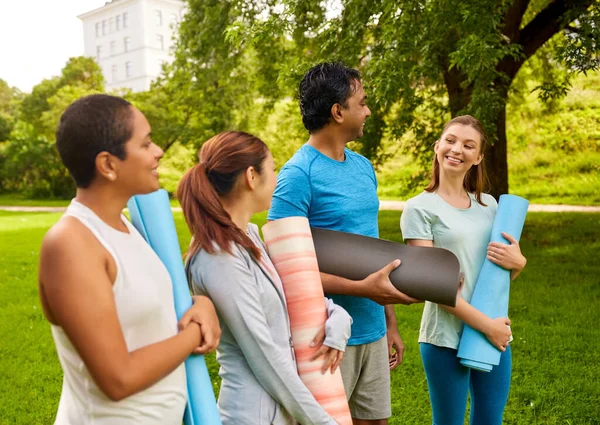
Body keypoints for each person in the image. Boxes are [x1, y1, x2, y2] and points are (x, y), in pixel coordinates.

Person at [38, 94, 221, 425]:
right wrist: (195, 334)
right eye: (146, 143)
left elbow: (141, 306)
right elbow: (117, 379)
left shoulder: (127, 227)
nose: (158, 152)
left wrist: (200, 304)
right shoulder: (70, 245)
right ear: (108, 164)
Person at [267, 62, 419, 425]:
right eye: (362, 103)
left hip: (372, 330)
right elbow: (284, 271)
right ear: (338, 112)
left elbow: (373, 248)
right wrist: (361, 288)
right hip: (328, 338)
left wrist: (390, 323)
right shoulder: (297, 175)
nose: (367, 111)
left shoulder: (363, 167)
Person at [178, 131, 353, 425]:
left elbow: (296, 298)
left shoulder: (250, 237)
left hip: (283, 412)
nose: (276, 176)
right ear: (251, 176)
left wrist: (337, 316)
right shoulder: (219, 257)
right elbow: (264, 356)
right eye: (273, 168)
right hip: (254, 416)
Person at [400, 115, 527, 425]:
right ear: (437, 146)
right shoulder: (419, 208)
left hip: (493, 331)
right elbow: (431, 286)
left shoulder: (490, 206)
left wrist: (518, 264)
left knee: (489, 420)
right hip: (444, 337)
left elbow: (496, 277)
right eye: (451, 140)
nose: (457, 149)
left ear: (479, 157)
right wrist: (488, 326)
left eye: (469, 145)